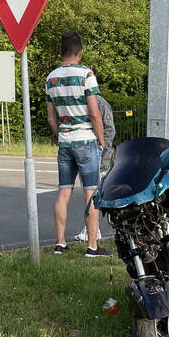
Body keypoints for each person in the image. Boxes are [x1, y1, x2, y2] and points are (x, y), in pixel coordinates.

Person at [45, 31, 110, 257]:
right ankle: (92, 246)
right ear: (80, 53)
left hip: (65, 141)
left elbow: (51, 117)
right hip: (86, 140)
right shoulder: (86, 75)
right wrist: (101, 140)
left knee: (64, 191)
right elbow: (95, 114)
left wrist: (59, 135)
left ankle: (60, 243)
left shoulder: (50, 78)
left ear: (61, 52)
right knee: (90, 193)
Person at [74, 94, 115, 242]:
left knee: (93, 194)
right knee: (88, 193)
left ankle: (93, 231)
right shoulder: (78, 101)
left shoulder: (99, 102)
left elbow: (109, 130)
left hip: (98, 155)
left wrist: (103, 151)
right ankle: (91, 230)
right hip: (84, 153)